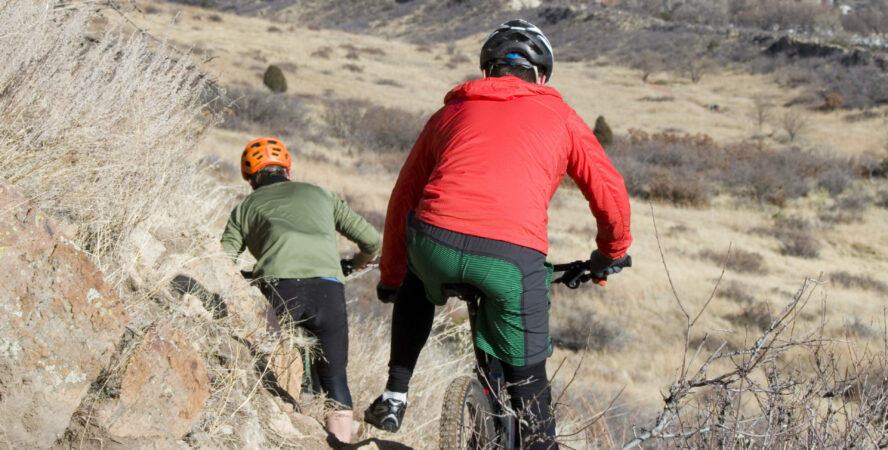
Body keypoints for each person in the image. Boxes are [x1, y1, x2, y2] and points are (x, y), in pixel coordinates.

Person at [363, 20, 632, 448]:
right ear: (541, 77)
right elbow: (610, 191)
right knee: (529, 387)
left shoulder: (450, 112)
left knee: (417, 276)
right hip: (511, 257)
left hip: (435, 243)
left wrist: (392, 276)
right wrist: (610, 252)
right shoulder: (561, 117)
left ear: (488, 71)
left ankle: (395, 393)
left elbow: (403, 199)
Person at [221, 137, 381, 444]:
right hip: (328, 290)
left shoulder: (246, 206)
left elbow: (222, 259)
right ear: (287, 171)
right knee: (336, 384)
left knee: (259, 366)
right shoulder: (321, 194)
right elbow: (371, 240)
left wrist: (244, 279)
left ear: (251, 179)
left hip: (279, 288)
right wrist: (359, 262)